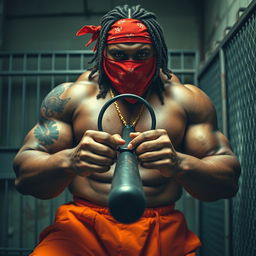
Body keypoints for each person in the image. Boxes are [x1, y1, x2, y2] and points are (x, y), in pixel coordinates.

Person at [13, 4, 241, 256]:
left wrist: (179, 163)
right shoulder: (71, 97)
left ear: (158, 53)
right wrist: (71, 159)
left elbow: (228, 182)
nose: (131, 66)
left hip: (161, 229)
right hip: (82, 228)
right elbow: (24, 177)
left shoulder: (186, 100)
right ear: (102, 53)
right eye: (119, 55)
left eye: (142, 54)